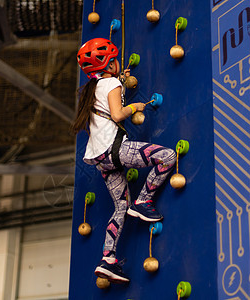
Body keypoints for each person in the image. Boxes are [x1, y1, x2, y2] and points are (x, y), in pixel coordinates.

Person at [72, 38, 176, 283]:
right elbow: (118, 113)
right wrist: (136, 105)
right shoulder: (110, 83)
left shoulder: (93, 88)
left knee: (120, 207)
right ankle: (143, 201)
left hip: (100, 159)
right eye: (115, 60)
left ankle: (108, 259)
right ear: (109, 64)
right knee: (167, 157)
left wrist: (119, 82)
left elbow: (108, 105)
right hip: (115, 150)